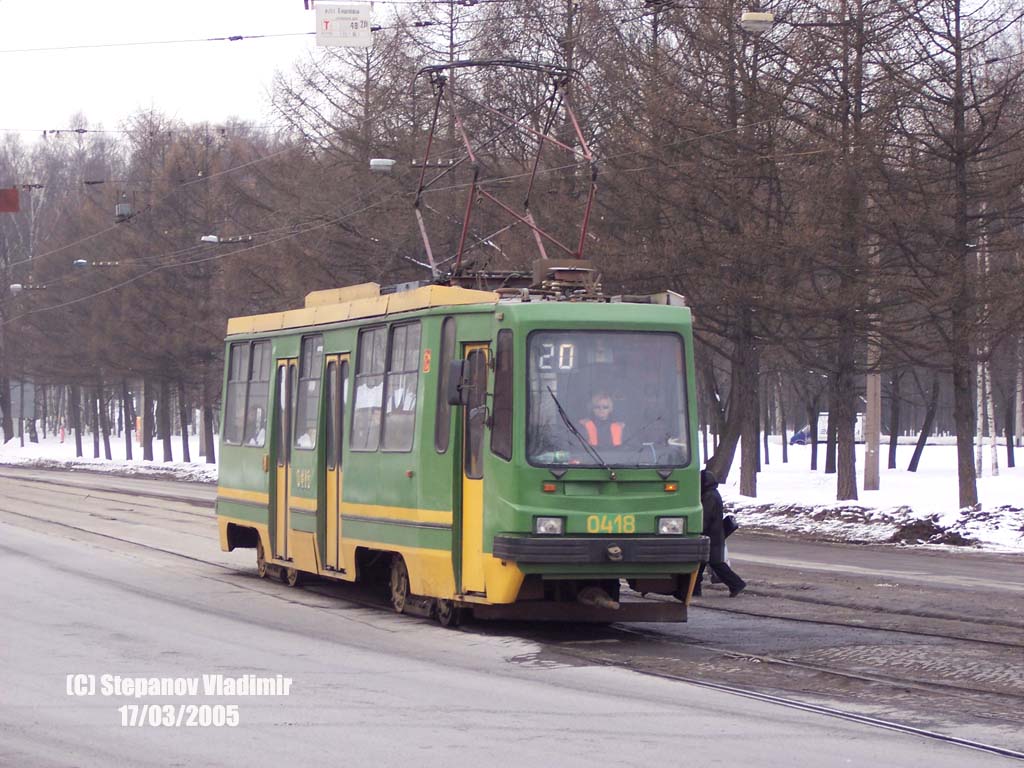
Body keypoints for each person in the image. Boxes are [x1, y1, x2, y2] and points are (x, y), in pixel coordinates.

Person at [693, 468, 746, 597]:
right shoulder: (712, 493)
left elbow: (706, 517)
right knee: (701, 563)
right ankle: (694, 589)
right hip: (713, 534)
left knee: (715, 564)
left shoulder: (709, 496)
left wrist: (698, 529)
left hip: (711, 536)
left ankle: (736, 584)